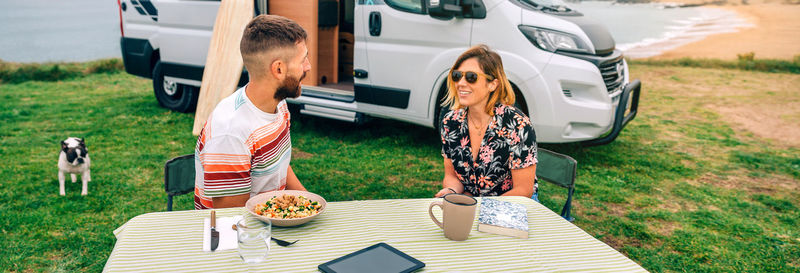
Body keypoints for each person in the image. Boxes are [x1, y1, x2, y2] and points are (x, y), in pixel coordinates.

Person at [194, 15, 311, 209]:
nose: (308, 67)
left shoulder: (278, 104)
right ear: (279, 69)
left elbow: (279, 165)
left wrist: (308, 201)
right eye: (303, 59)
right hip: (243, 232)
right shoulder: (230, 135)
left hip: (270, 218)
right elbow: (232, 219)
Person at [435, 44, 539, 199]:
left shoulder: (517, 124)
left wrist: (480, 209)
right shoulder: (450, 122)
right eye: (457, 75)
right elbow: (452, 177)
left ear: (493, 84)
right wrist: (451, 191)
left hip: (512, 203)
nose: (461, 83)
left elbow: (523, 190)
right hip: (471, 201)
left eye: (471, 77)